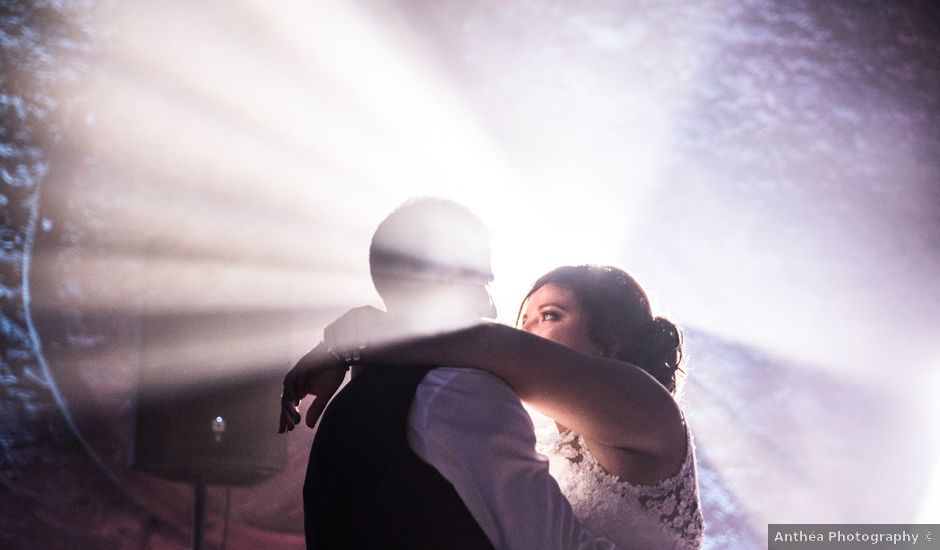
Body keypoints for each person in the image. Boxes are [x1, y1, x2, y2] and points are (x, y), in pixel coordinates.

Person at [280, 199, 613, 549]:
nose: (493, 307)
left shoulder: (349, 404)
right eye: (482, 282)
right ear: (447, 275)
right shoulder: (465, 392)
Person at [319, 265, 705, 549]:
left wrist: (363, 332)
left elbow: (494, 347)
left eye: (550, 315)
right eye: (522, 320)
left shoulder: (651, 406)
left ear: (611, 340)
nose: (526, 331)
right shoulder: (537, 446)